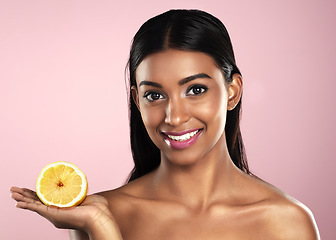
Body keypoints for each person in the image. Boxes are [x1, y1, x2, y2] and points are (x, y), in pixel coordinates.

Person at [10, 9, 320, 240]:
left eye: (196, 90)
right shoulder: (100, 214)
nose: (174, 116)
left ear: (232, 91)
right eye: (154, 95)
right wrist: (100, 227)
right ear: (136, 99)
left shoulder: (286, 222)